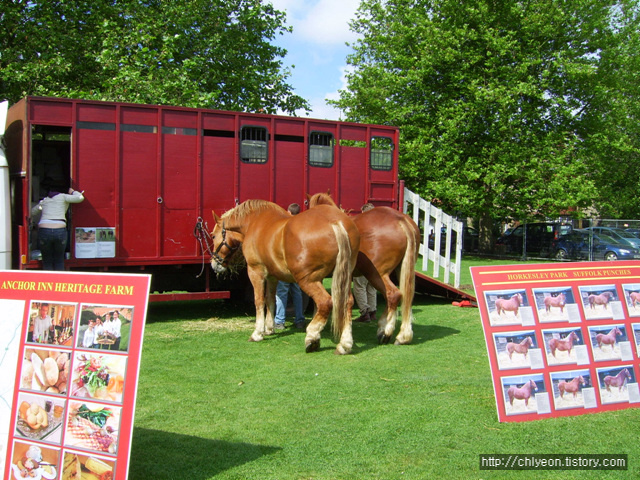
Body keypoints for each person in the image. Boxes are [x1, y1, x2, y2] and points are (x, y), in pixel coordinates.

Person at [32, 187, 85, 270]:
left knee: (47, 260)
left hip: (44, 230)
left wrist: (42, 206)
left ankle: (48, 281)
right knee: (59, 259)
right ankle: (59, 281)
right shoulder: (64, 197)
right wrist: (73, 192)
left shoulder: (45, 200)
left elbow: (32, 212)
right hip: (59, 229)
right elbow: (80, 198)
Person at [275, 203, 306, 330]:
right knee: (297, 293)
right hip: (298, 265)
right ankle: (299, 320)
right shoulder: (301, 226)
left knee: (282, 293)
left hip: (285, 263)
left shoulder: (285, 225)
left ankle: (279, 321)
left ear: (288, 211)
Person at [353, 203, 378, 323]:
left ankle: (364, 312)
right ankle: (373, 311)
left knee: (359, 286)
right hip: (376, 261)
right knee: (372, 286)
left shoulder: (362, 227)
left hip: (364, 260)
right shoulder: (378, 226)